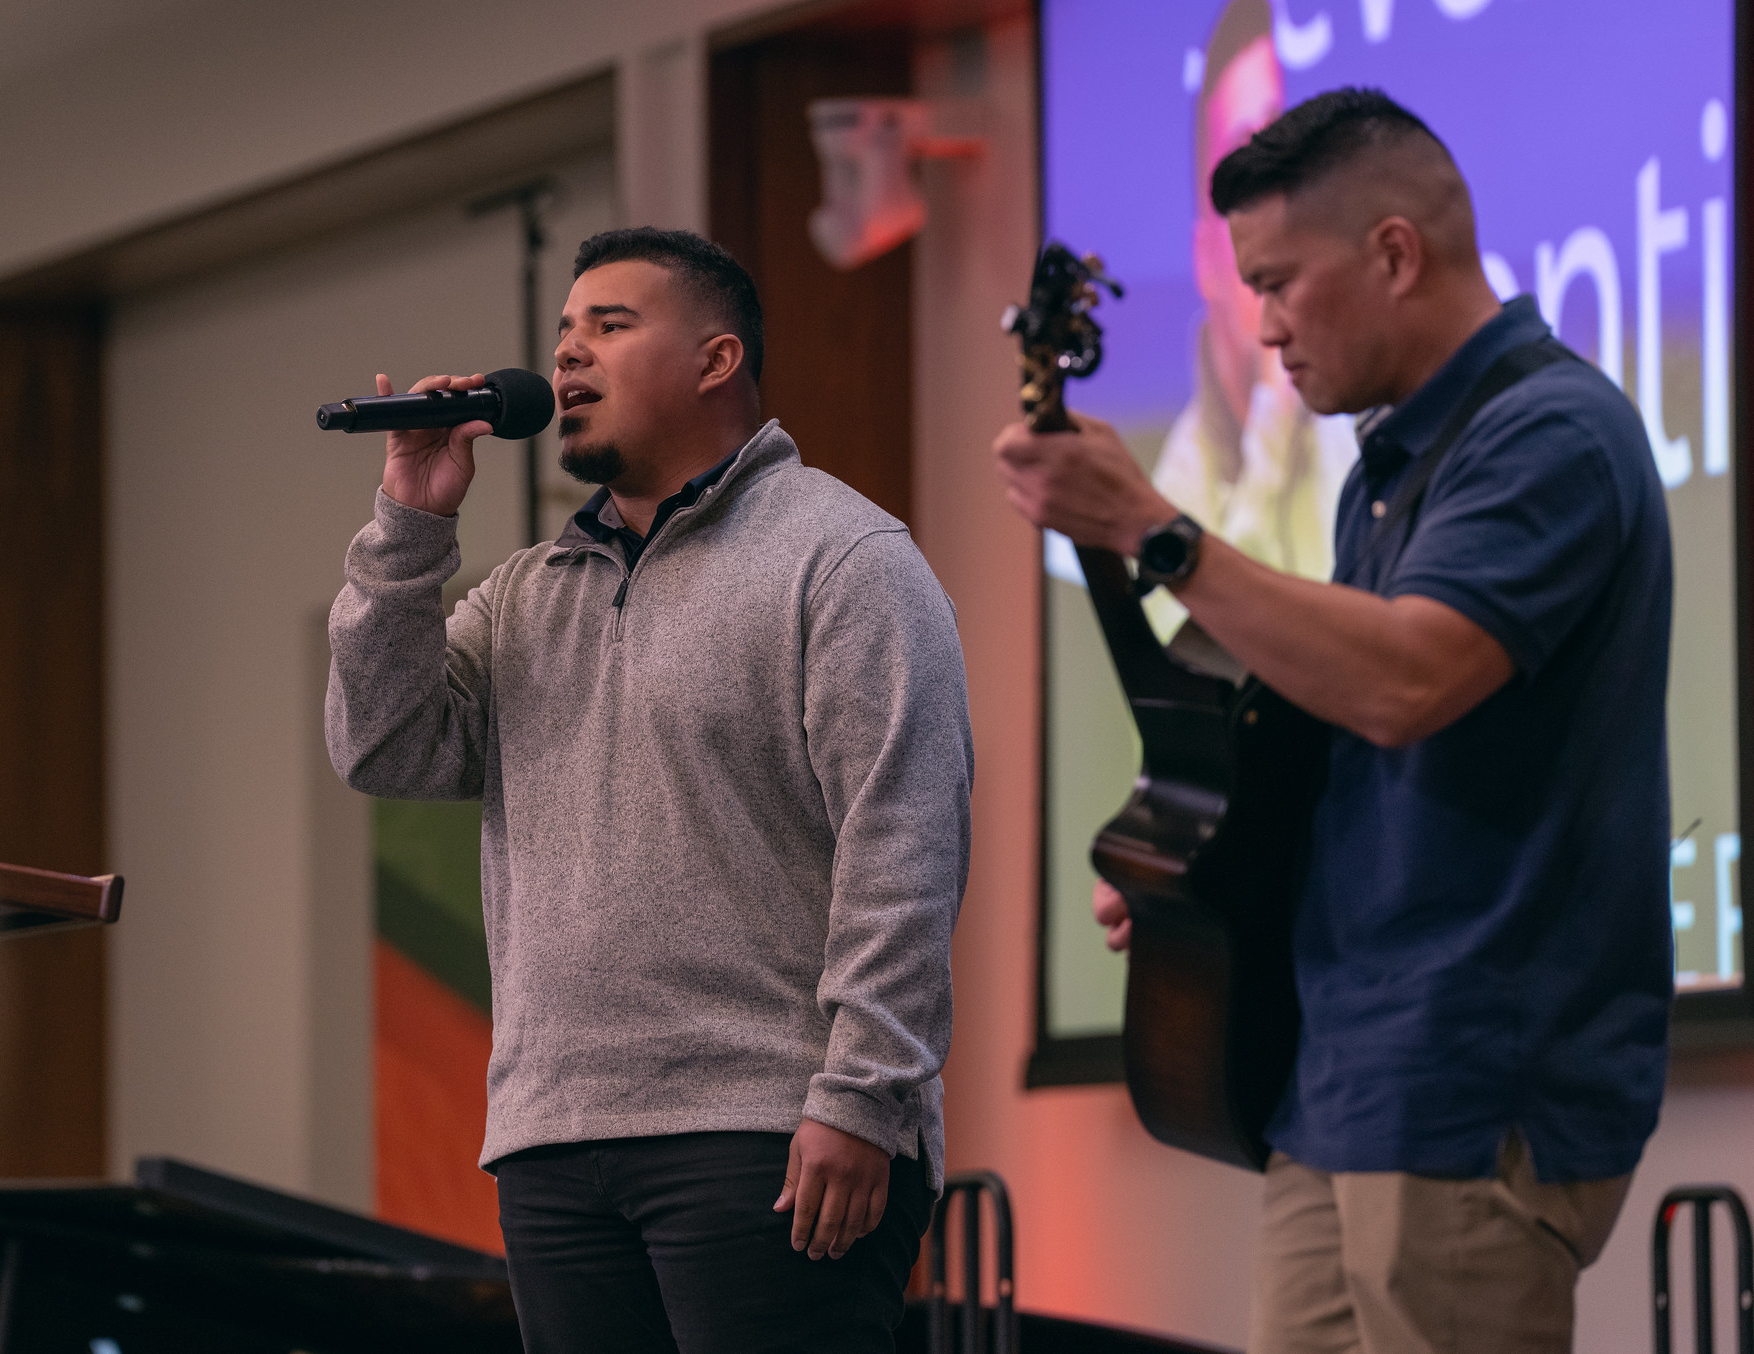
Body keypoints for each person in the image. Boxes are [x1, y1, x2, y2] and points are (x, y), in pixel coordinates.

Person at [995, 89, 1671, 1353]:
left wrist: (1156, 529)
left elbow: (1405, 683)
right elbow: (1347, 745)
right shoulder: (1386, 468)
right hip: (1346, 1075)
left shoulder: (1548, 433)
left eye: (1280, 282)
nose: (1261, 326)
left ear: (1395, 254)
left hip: (1474, 1076)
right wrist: (1205, 872)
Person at [326, 226, 972, 1354]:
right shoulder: (527, 593)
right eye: (564, 331)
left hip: (768, 1130)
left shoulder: (844, 557)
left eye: (609, 328)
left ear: (716, 361)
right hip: (555, 1136)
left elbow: (905, 839)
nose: (566, 355)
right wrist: (412, 520)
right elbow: (383, 746)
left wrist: (863, 1095)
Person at [1150, 0, 1357, 594]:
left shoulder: (1352, 431)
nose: (1278, 189)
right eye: (1245, 158)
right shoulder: (1176, 483)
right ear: (1204, 258)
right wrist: (1270, 434)